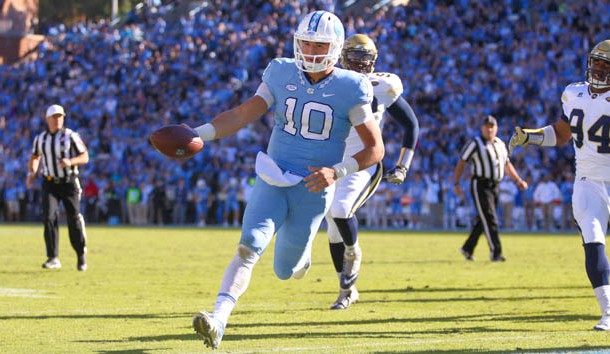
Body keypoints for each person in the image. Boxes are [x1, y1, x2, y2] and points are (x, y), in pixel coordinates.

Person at [189, 11, 384, 349]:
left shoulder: (350, 87)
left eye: (318, 44)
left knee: (285, 268)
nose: (309, 50)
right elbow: (242, 113)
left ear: (335, 47)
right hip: (273, 174)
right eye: (305, 42)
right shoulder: (280, 71)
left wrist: (336, 172)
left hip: (313, 187)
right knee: (249, 245)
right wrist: (198, 134)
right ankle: (219, 319)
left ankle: (303, 254)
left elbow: (376, 148)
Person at [508, 39, 610, 330]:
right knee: (593, 242)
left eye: (606, 65)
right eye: (597, 63)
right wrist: (533, 136)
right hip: (588, 181)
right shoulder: (573, 93)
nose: (599, 69)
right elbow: (563, 133)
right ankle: (608, 312)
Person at [325, 33, 419, 310]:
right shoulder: (331, 83)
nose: (361, 64)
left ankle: (354, 252)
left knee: (341, 210)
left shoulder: (383, 85)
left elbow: (411, 125)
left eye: (366, 59)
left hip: (364, 164)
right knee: (332, 231)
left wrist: (403, 165)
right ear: (344, 58)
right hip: (332, 164)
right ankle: (346, 291)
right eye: (356, 58)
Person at [453, 115, 528, 262]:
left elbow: (507, 164)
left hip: (495, 185)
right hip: (480, 184)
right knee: (490, 217)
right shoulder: (475, 143)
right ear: (482, 128)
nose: (489, 129)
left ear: (496, 128)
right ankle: (496, 252)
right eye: (487, 126)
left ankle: (467, 248)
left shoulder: (500, 144)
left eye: (492, 126)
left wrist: (518, 180)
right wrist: (456, 183)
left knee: (485, 218)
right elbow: (462, 162)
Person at [25, 104, 89, 271]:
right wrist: (31, 172)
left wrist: (71, 161)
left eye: (60, 116)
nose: (57, 119)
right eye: (54, 117)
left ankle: (80, 254)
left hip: (69, 182)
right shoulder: (41, 139)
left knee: (73, 218)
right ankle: (53, 257)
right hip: (50, 182)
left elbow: (85, 156)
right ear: (48, 119)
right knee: (49, 217)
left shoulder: (71, 136)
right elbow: (35, 156)